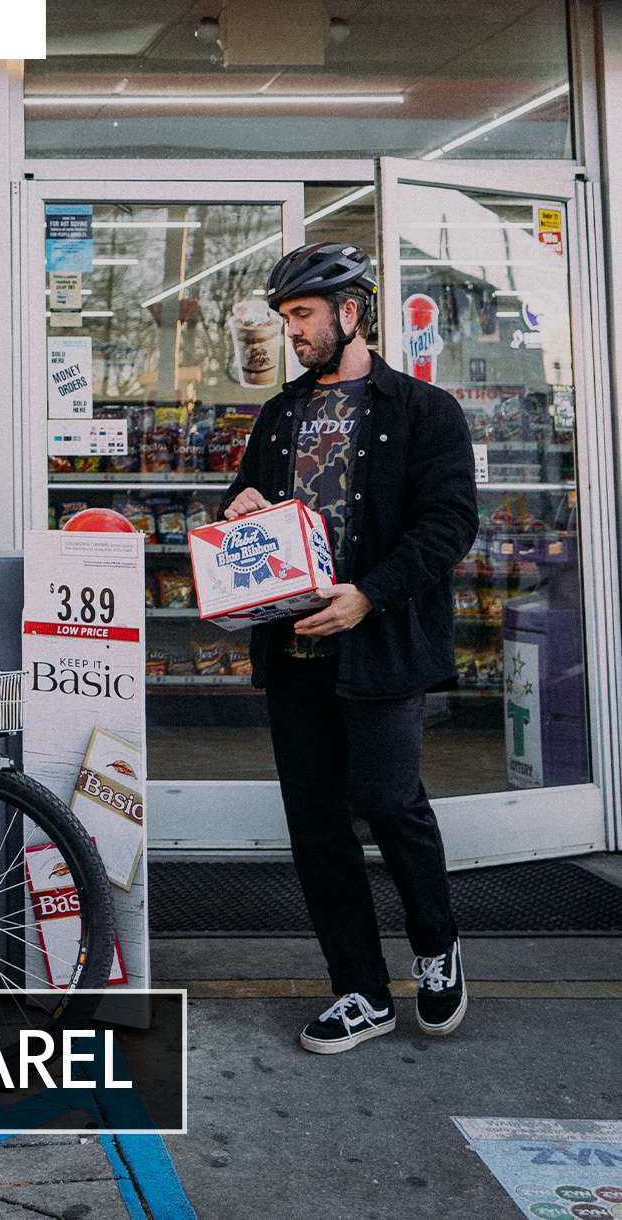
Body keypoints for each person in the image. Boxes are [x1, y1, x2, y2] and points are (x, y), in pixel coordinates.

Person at [221, 242, 478, 1055]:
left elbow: (449, 524)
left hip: (382, 646)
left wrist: (369, 593)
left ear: (351, 314)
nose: (292, 332)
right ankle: (360, 990)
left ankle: (436, 949)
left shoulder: (423, 411)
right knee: (318, 825)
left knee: (390, 802)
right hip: (296, 650)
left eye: (302, 315)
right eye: (286, 317)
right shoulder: (281, 414)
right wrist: (239, 509)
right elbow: (244, 505)